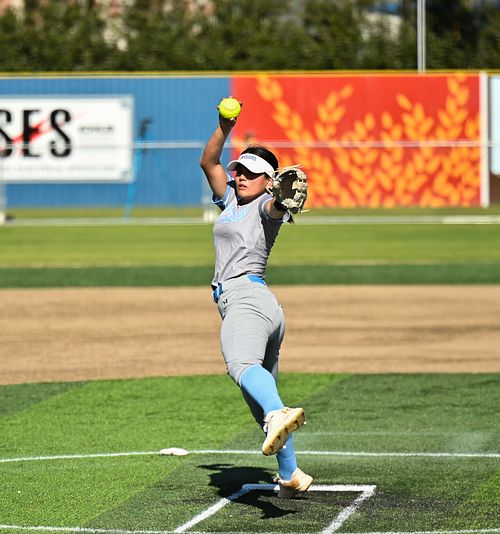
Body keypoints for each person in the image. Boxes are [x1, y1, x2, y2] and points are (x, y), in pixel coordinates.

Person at [199, 101, 312, 499]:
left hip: (246, 300)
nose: (242, 176)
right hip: (260, 307)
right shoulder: (232, 199)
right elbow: (209, 162)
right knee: (263, 402)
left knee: (242, 367)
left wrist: (280, 199)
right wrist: (224, 126)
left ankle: (280, 416)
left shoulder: (265, 207)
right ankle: (291, 472)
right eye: (240, 171)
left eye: (252, 172)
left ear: (269, 181)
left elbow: (277, 206)